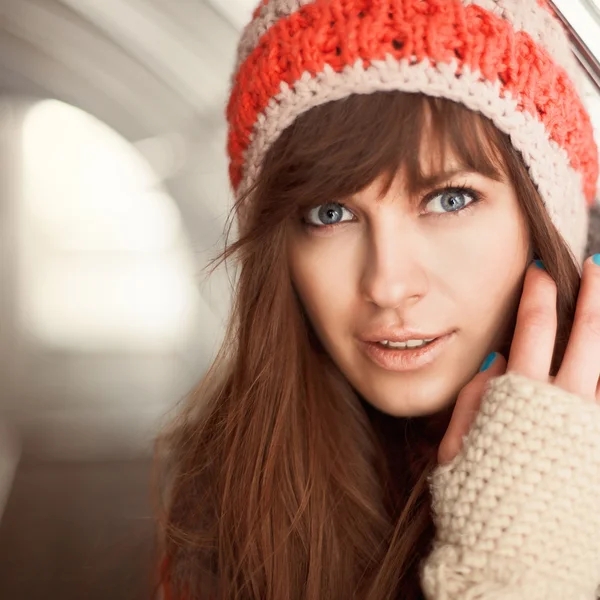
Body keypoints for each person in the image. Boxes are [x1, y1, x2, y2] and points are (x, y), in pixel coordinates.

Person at [156, 0, 600, 598]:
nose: (388, 286)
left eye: (449, 199)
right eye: (330, 213)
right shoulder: (229, 493)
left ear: (547, 218)